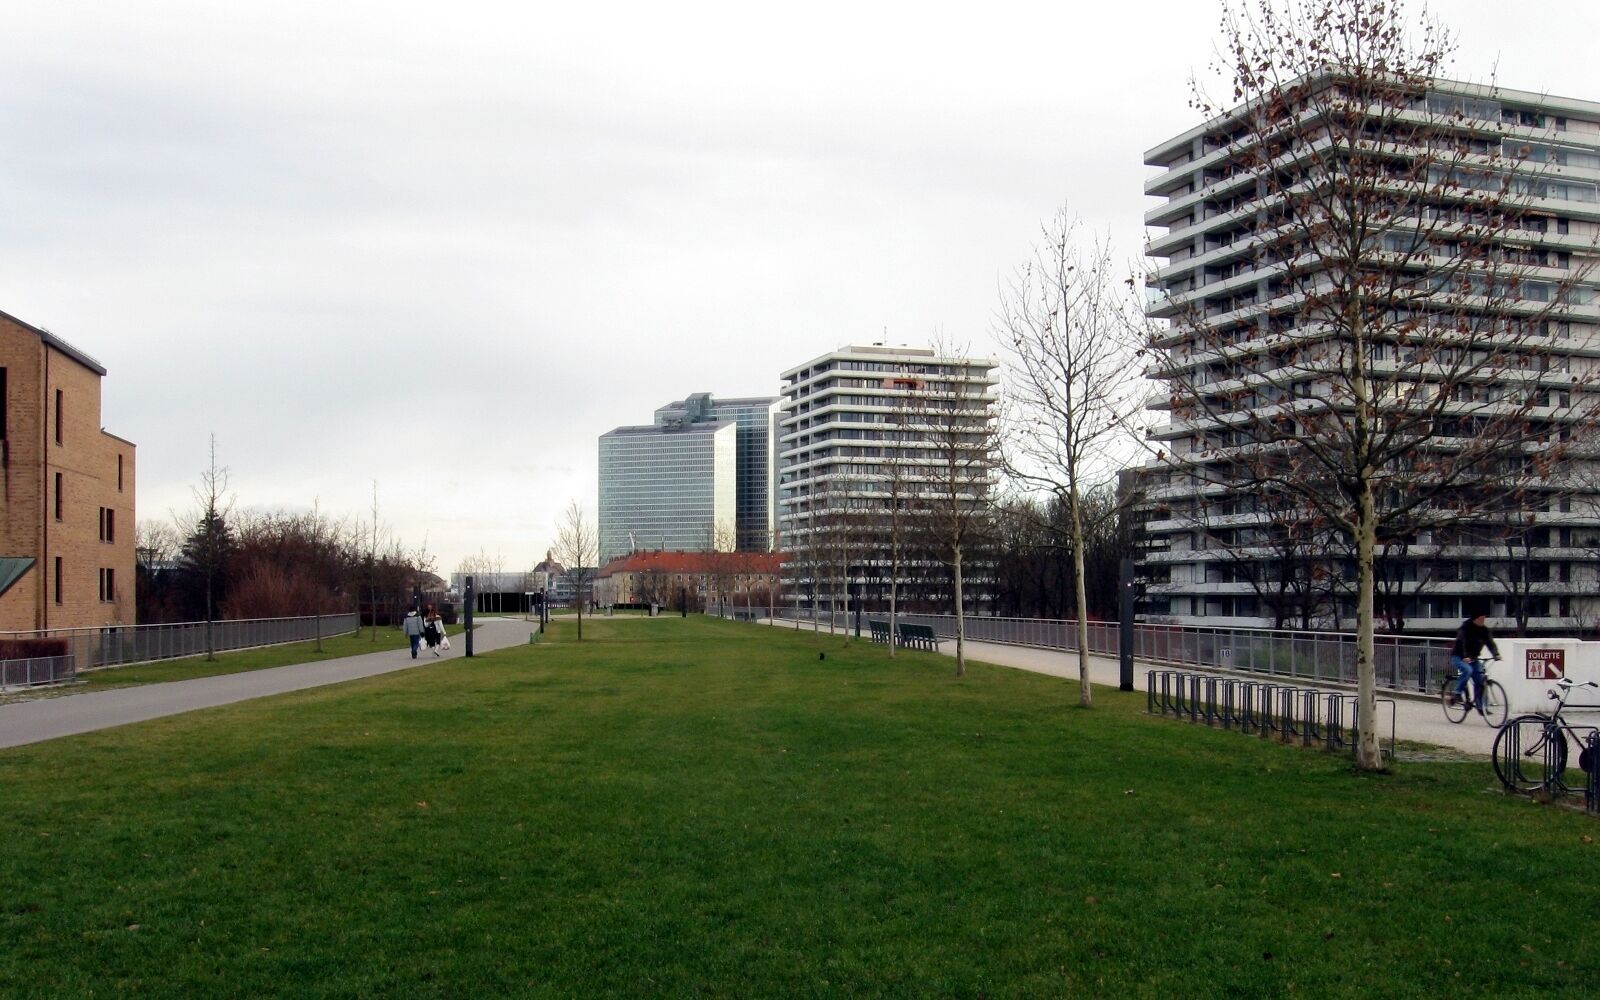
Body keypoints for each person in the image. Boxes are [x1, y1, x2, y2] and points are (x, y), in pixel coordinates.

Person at [1450, 611, 1500, 710]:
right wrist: (1465, 656)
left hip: (1473, 658)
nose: (1483, 620)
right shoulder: (1465, 628)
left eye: (1484, 618)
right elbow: (1462, 642)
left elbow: (1490, 643)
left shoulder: (1484, 630)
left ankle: (1481, 707)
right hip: (1459, 656)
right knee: (1468, 670)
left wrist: (1496, 654)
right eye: (1481, 618)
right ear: (1475, 619)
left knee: (1480, 681)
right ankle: (1457, 692)